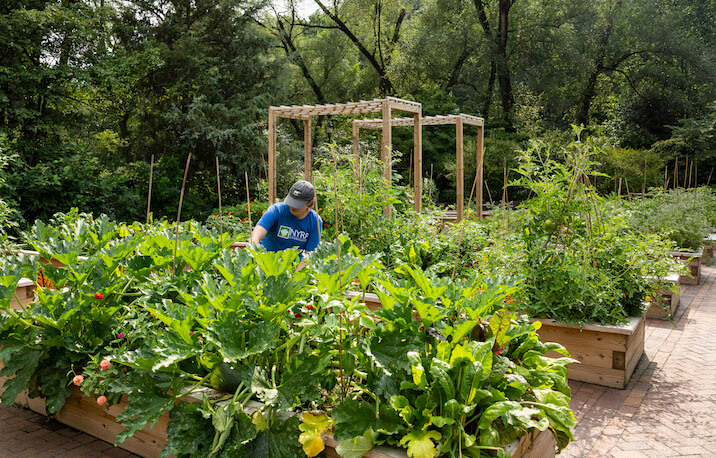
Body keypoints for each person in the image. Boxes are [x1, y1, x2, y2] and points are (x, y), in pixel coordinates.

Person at [249, 180, 322, 258]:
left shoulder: (315, 221)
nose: (292, 206)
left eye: (297, 203)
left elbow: (309, 255)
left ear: (310, 203)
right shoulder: (277, 210)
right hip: (267, 262)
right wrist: (255, 253)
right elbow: (256, 235)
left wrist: (296, 271)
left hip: (294, 267)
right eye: (292, 201)